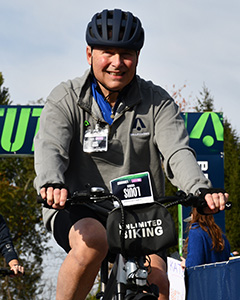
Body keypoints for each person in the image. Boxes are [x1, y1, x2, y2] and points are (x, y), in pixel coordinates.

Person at [33, 8, 228, 300]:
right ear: (89, 54)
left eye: (126, 54)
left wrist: (200, 189)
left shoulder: (157, 102)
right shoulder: (66, 98)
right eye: (107, 52)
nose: (117, 63)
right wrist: (51, 182)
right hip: (80, 207)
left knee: (159, 283)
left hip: (140, 215)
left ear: (137, 57)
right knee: (92, 243)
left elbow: (176, 151)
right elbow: (51, 146)